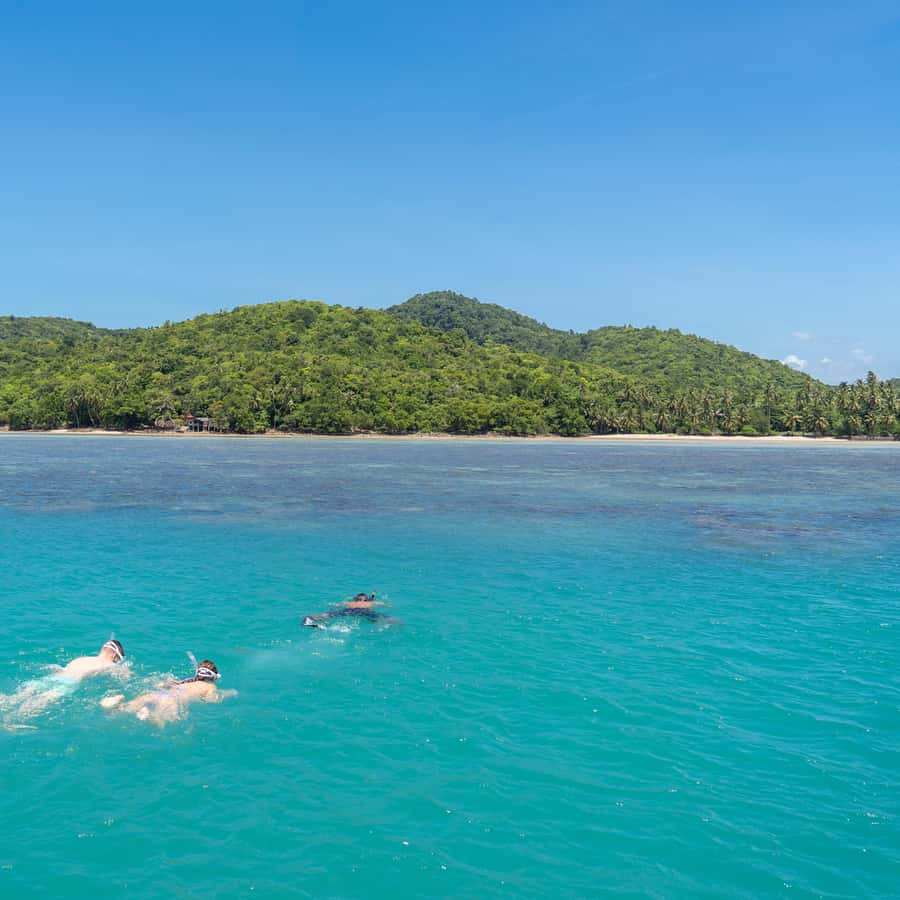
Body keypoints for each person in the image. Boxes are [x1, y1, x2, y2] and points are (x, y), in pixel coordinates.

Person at [1, 638, 128, 721]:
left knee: (21, 695)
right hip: (71, 683)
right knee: (41, 701)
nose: (116, 662)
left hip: (55, 677)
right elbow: (124, 675)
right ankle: (11, 720)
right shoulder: (109, 665)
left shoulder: (82, 659)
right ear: (113, 655)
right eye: (118, 659)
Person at [101, 655, 235, 726]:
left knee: (124, 709)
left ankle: (115, 705)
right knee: (161, 724)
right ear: (213, 678)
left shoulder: (186, 682)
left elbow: (165, 684)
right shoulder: (210, 686)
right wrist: (228, 693)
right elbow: (212, 700)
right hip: (173, 701)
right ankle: (147, 715)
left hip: (160, 694)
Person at [303, 591, 399, 628]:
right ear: (366, 598)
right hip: (364, 611)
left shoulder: (349, 602)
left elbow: (336, 605)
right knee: (379, 618)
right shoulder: (370, 603)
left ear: (356, 598)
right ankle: (387, 625)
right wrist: (389, 605)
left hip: (349, 610)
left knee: (331, 614)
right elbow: (386, 605)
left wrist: (331, 608)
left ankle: (310, 619)